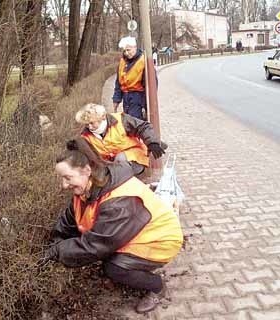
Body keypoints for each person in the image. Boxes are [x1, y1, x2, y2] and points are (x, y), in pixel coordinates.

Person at [39, 138, 183, 313]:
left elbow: (96, 246)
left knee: (113, 267)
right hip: (136, 231)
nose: (63, 185)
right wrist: (54, 241)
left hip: (160, 239)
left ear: (86, 170)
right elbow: (69, 221)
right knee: (109, 256)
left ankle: (157, 287)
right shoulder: (87, 188)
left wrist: (56, 251)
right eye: (61, 178)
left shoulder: (119, 201)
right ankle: (132, 267)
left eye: (67, 178)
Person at [75, 103, 166, 176]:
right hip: (110, 165)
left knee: (120, 160)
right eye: (86, 124)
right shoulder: (85, 136)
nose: (89, 127)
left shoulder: (121, 120)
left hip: (134, 158)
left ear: (102, 117)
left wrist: (152, 143)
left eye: (91, 123)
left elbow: (142, 127)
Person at [113, 36, 147, 120]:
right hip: (126, 97)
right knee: (128, 122)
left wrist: (145, 105)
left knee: (135, 123)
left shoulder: (143, 62)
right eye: (124, 51)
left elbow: (149, 85)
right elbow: (118, 82)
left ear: (135, 47)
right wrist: (116, 99)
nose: (126, 53)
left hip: (138, 97)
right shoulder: (122, 62)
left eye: (128, 50)